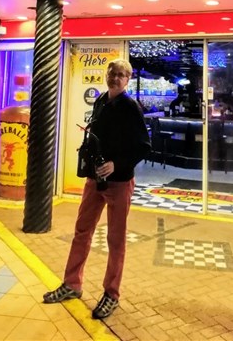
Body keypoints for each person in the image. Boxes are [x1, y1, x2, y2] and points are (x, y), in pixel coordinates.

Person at [43, 59, 151, 319]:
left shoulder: (131, 107)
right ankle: (72, 284)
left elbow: (144, 146)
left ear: (128, 79)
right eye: (112, 73)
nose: (115, 77)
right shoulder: (101, 100)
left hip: (119, 182)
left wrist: (116, 164)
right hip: (94, 180)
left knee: (116, 239)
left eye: (121, 74)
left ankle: (111, 294)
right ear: (107, 75)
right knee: (82, 231)